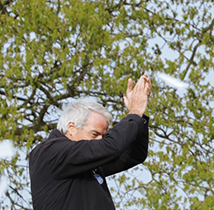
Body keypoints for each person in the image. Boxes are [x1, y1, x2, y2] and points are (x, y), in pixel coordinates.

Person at [29, 74, 152, 209]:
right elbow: (112, 147)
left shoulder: (83, 163)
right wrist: (134, 113)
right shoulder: (50, 152)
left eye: (103, 136)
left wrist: (140, 116)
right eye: (95, 134)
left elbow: (134, 154)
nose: (100, 140)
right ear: (72, 127)